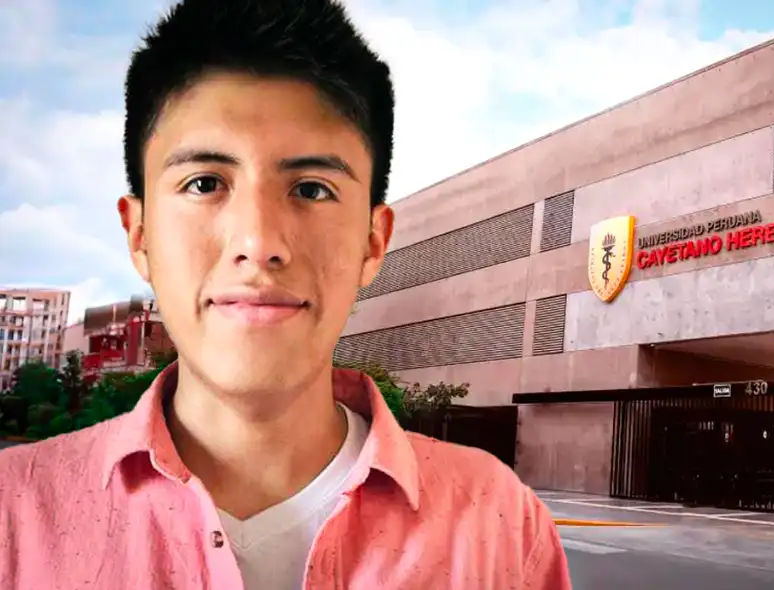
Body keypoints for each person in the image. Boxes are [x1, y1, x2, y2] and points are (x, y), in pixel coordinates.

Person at [0, 1, 572, 588]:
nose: (259, 242)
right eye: (204, 183)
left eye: (311, 188)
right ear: (140, 235)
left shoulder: (498, 525)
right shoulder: (13, 516)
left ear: (373, 243)